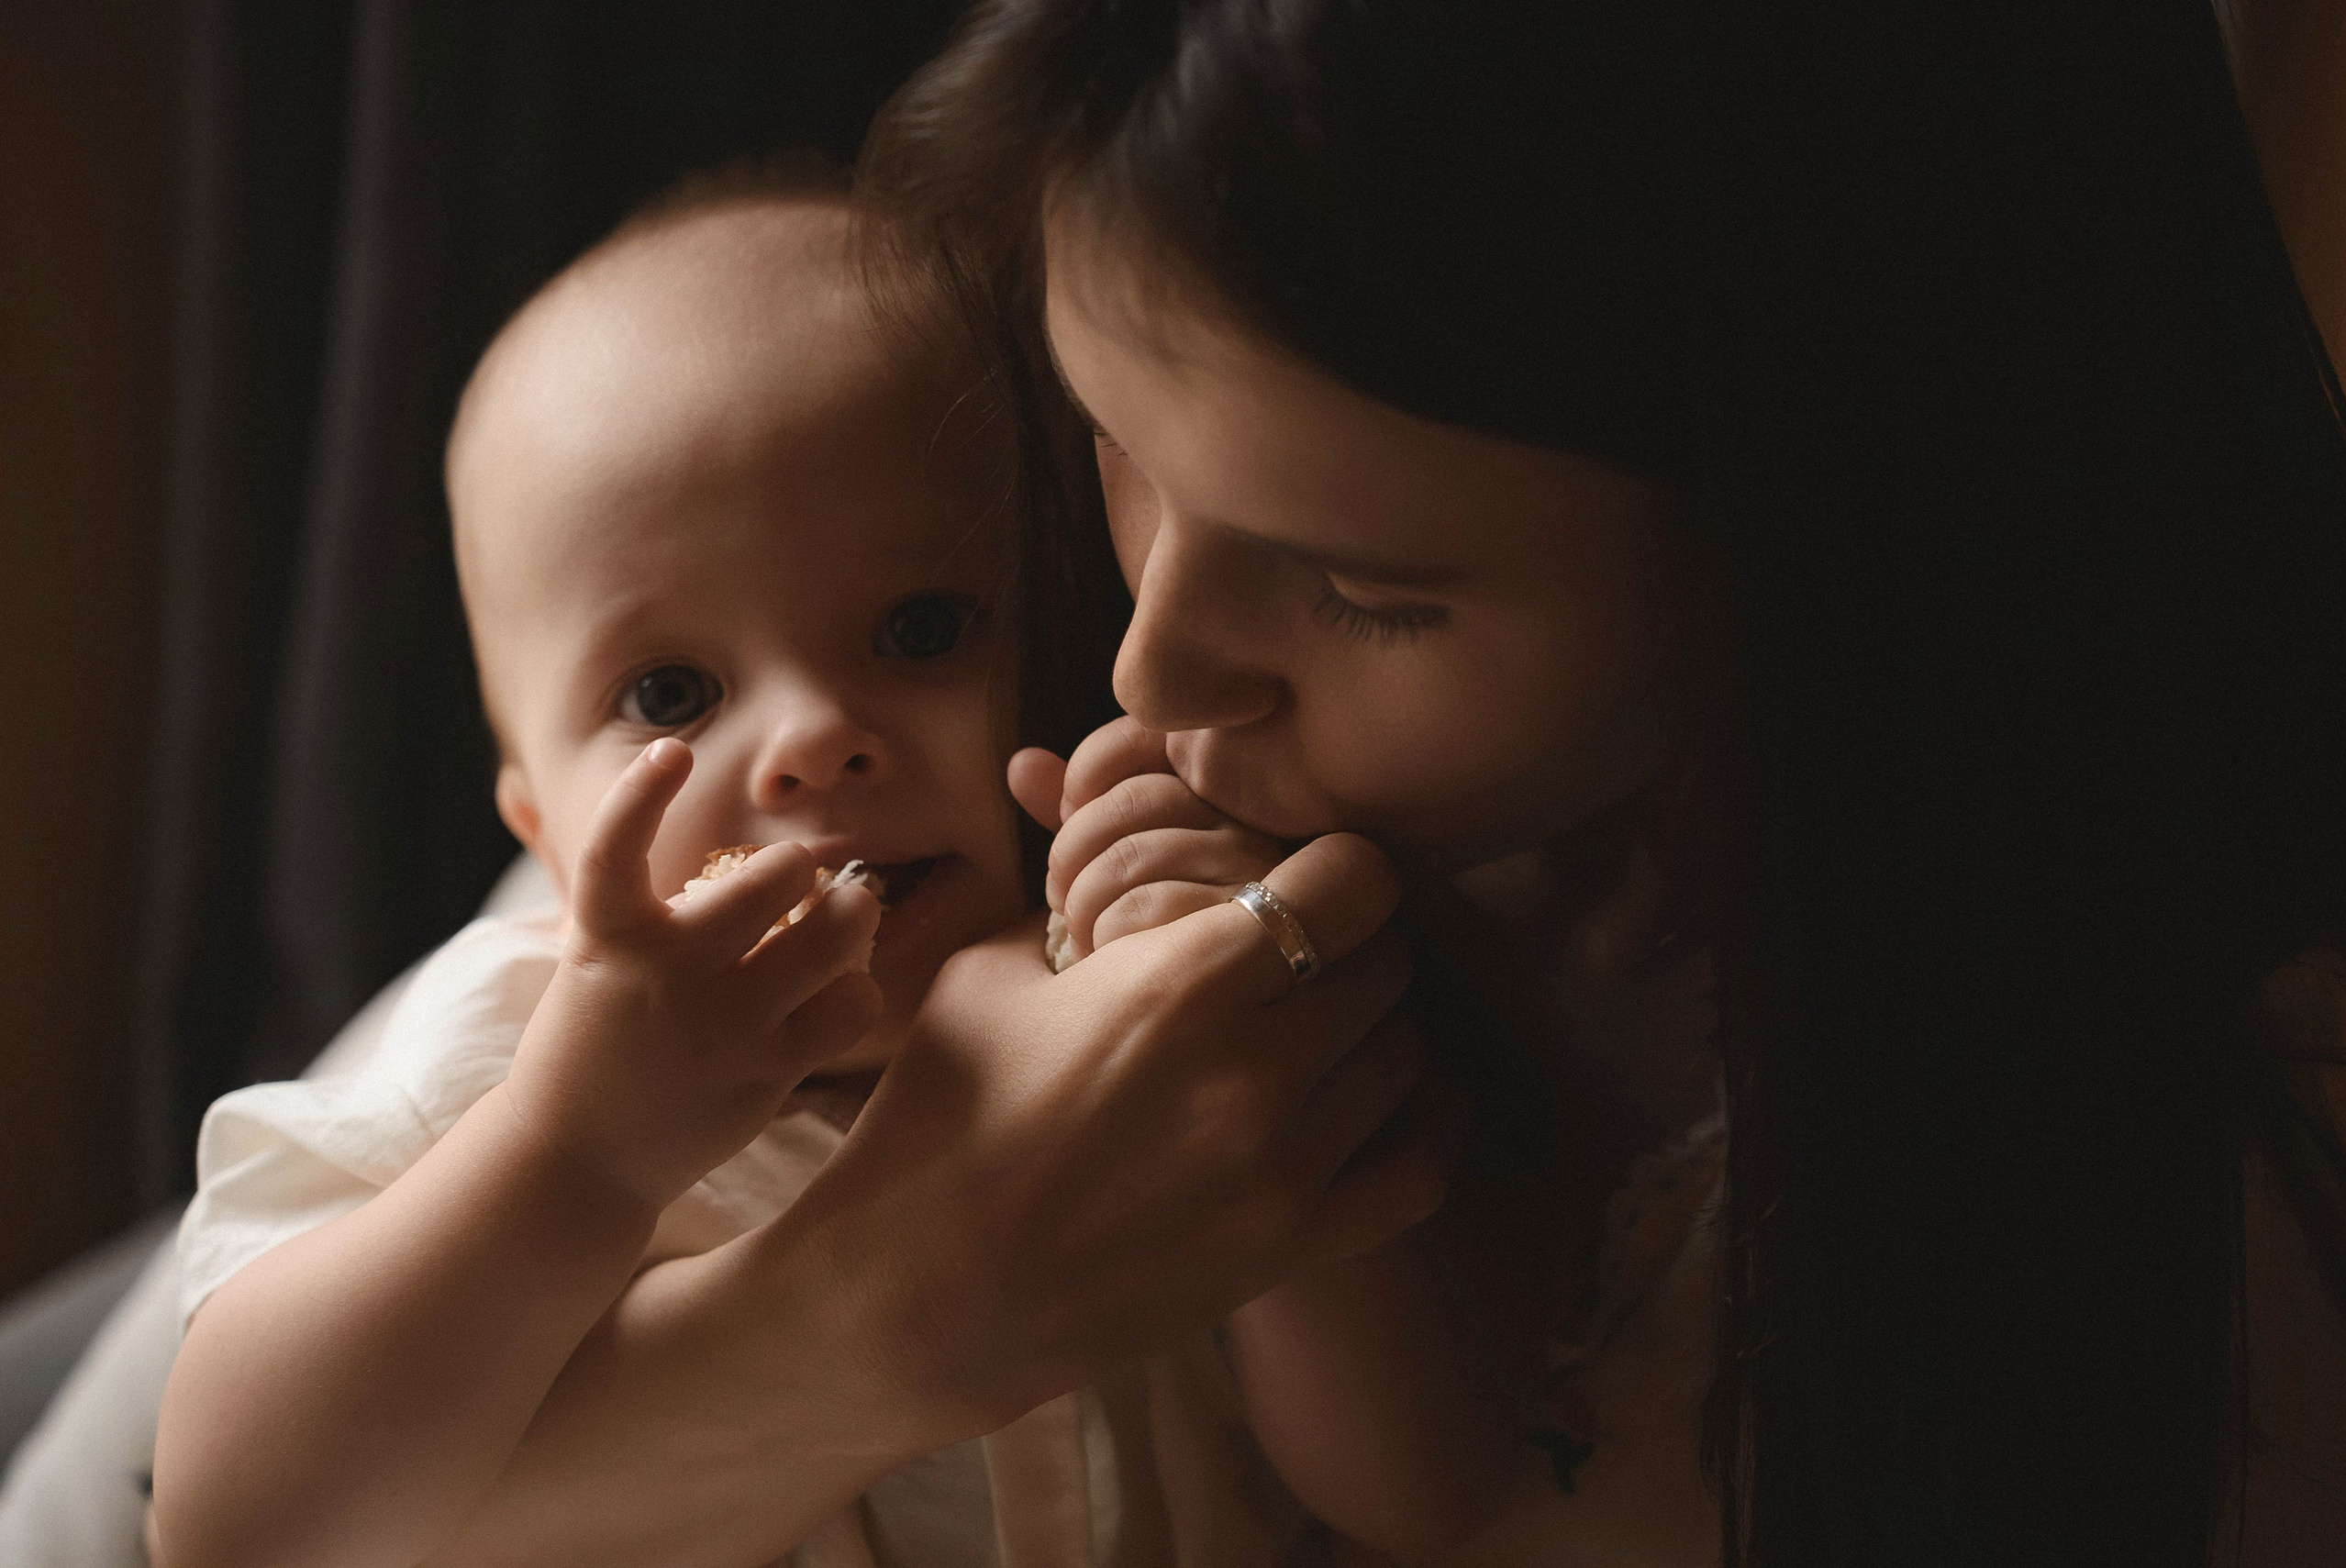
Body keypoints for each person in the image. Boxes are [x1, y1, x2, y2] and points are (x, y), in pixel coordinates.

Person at [856, 1, 2346, 1564]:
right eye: (1117, 443)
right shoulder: (958, 710)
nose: (1151, 673)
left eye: (1363, 591)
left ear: (1844, 539)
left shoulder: (2239, 1198)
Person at [149, 180, 1504, 1568]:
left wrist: (1251, 1031)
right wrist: (573, 1152)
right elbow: (235, 1528)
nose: (810, 741)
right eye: (670, 689)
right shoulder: (496, 1062)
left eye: (921, 628)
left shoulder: (1164, 989)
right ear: (541, 830)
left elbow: (1423, 1491)